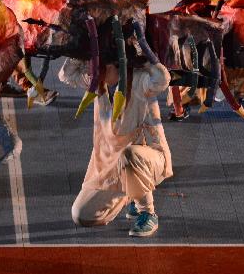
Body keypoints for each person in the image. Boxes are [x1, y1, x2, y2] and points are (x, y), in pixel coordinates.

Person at [64, 59, 172, 237]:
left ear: (117, 65)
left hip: (148, 158)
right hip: (110, 167)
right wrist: (83, 47)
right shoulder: (98, 83)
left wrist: (142, 51)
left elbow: (162, 79)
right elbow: (67, 75)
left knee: (127, 154)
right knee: (82, 216)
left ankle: (147, 212)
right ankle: (129, 193)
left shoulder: (139, 80)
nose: (95, 73)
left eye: (103, 67)